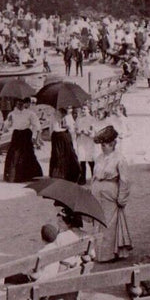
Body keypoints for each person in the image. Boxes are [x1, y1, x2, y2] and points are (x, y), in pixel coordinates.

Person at [90, 125, 133, 263]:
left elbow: (125, 180)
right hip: (97, 194)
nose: (103, 148)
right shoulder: (99, 158)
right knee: (98, 221)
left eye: (106, 145)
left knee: (109, 223)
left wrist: (122, 198)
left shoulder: (120, 159)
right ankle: (98, 252)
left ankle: (108, 254)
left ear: (113, 144)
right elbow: (94, 176)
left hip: (110, 194)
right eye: (102, 145)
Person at [2, 98, 43, 182]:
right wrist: (8, 123)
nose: (20, 105)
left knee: (27, 154)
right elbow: (6, 127)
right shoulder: (12, 114)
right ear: (16, 103)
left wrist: (36, 138)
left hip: (26, 135)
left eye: (21, 103)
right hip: (17, 134)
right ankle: (13, 176)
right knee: (14, 154)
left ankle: (29, 175)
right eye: (18, 103)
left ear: (24, 104)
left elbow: (37, 126)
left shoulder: (30, 113)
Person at [48, 108, 80, 182]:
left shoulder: (68, 117)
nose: (58, 112)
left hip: (65, 136)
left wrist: (66, 125)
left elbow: (72, 129)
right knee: (57, 155)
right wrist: (51, 136)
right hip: (56, 136)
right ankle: (57, 174)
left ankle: (68, 174)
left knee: (67, 154)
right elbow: (51, 127)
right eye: (57, 111)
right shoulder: (53, 116)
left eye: (59, 111)